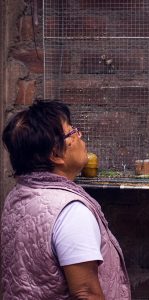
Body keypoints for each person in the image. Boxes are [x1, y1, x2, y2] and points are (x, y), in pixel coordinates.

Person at [1, 100, 131, 299]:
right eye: (72, 132)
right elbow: (86, 293)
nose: (80, 135)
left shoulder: (18, 196)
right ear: (55, 154)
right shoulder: (71, 212)